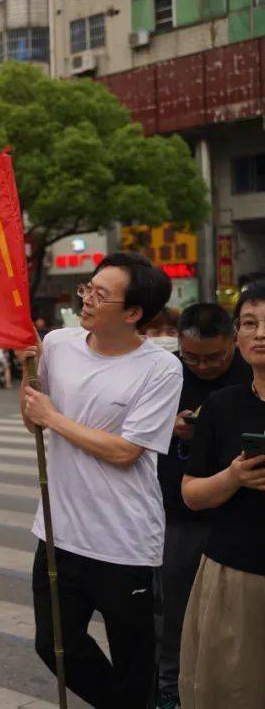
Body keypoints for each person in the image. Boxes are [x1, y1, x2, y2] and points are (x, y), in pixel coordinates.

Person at [20, 253, 182, 708]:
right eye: (87, 288)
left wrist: (54, 417)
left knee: (135, 661)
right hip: (58, 533)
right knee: (54, 645)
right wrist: (28, 369)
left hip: (124, 542)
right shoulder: (59, 343)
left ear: (133, 314)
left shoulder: (161, 368)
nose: (86, 299)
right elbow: (34, 422)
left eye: (99, 294)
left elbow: (127, 452)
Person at [152, 303, 251, 709]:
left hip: (239, 514)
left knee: (235, 620)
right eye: (192, 356)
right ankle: (170, 687)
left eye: (214, 356)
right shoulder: (165, 373)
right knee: (171, 609)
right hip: (179, 513)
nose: (203, 366)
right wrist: (168, 425)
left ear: (233, 342)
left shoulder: (251, 372)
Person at [179, 283, 265, 708]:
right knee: (231, 691)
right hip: (235, 574)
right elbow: (192, 494)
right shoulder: (222, 405)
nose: (260, 333)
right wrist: (232, 477)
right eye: (250, 323)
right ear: (238, 334)